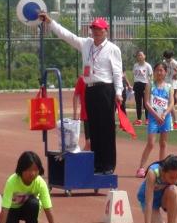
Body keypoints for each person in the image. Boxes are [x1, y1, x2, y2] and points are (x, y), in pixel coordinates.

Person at [40, 14, 123, 174]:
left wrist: (119, 92)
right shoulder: (86, 44)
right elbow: (67, 35)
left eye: (99, 29)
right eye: (94, 29)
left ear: (106, 31)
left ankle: (108, 165)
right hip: (90, 89)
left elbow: (118, 72)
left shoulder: (113, 49)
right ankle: (97, 164)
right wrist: (50, 22)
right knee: (93, 129)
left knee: (106, 129)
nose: (96, 32)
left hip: (105, 89)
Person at [0, 151, 69, 223]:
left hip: (29, 209)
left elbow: (48, 209)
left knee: (34, 203)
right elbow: (5, 209)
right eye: (29, 170)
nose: (32, 173)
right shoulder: (12, 181)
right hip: (12, 210)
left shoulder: (40, 183)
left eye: (35, 170)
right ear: (21, 169)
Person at [136, 62, 174, 178]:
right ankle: (141, 168)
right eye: (157, 70)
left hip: (165, 118)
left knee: (163, 143)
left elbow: (171, 102)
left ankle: (162, 168)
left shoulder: (169, 87)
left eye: (161, 70)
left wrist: (165, 113)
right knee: (151, 143)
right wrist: (156, 115)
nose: (159, 72)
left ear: (165, 72)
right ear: (154, 72)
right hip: (153, 117)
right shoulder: (150, 85)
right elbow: (146, 103)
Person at [131, 51, 152, 126]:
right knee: (138, 103)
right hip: (137, 85)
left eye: (141, 55)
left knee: (146, 103)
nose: (139, 56)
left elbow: (151, 76)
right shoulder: (135, 65)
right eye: (138, 55)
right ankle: (139, 119)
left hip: (145, 84)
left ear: (144, 56)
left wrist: (149, 85)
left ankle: (147, 119)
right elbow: (134, 75)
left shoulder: (148, 66)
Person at [162, 50, 177, 130]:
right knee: (166, 102)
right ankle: (168, 119)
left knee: (170, 102)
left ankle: (176, 121)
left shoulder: (175, 63)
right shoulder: (164, 62)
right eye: (166, 58)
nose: (168, 60)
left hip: (173, 85)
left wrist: (176, 74)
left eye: (169, 58)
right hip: (165, 83)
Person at [72, 76, 91, 151]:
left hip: (98, 115)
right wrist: (75, 113)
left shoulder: (100, 78)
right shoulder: (82, 79)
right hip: (87, 115)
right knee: (89, 143)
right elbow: (76, 95)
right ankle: (80, 161)